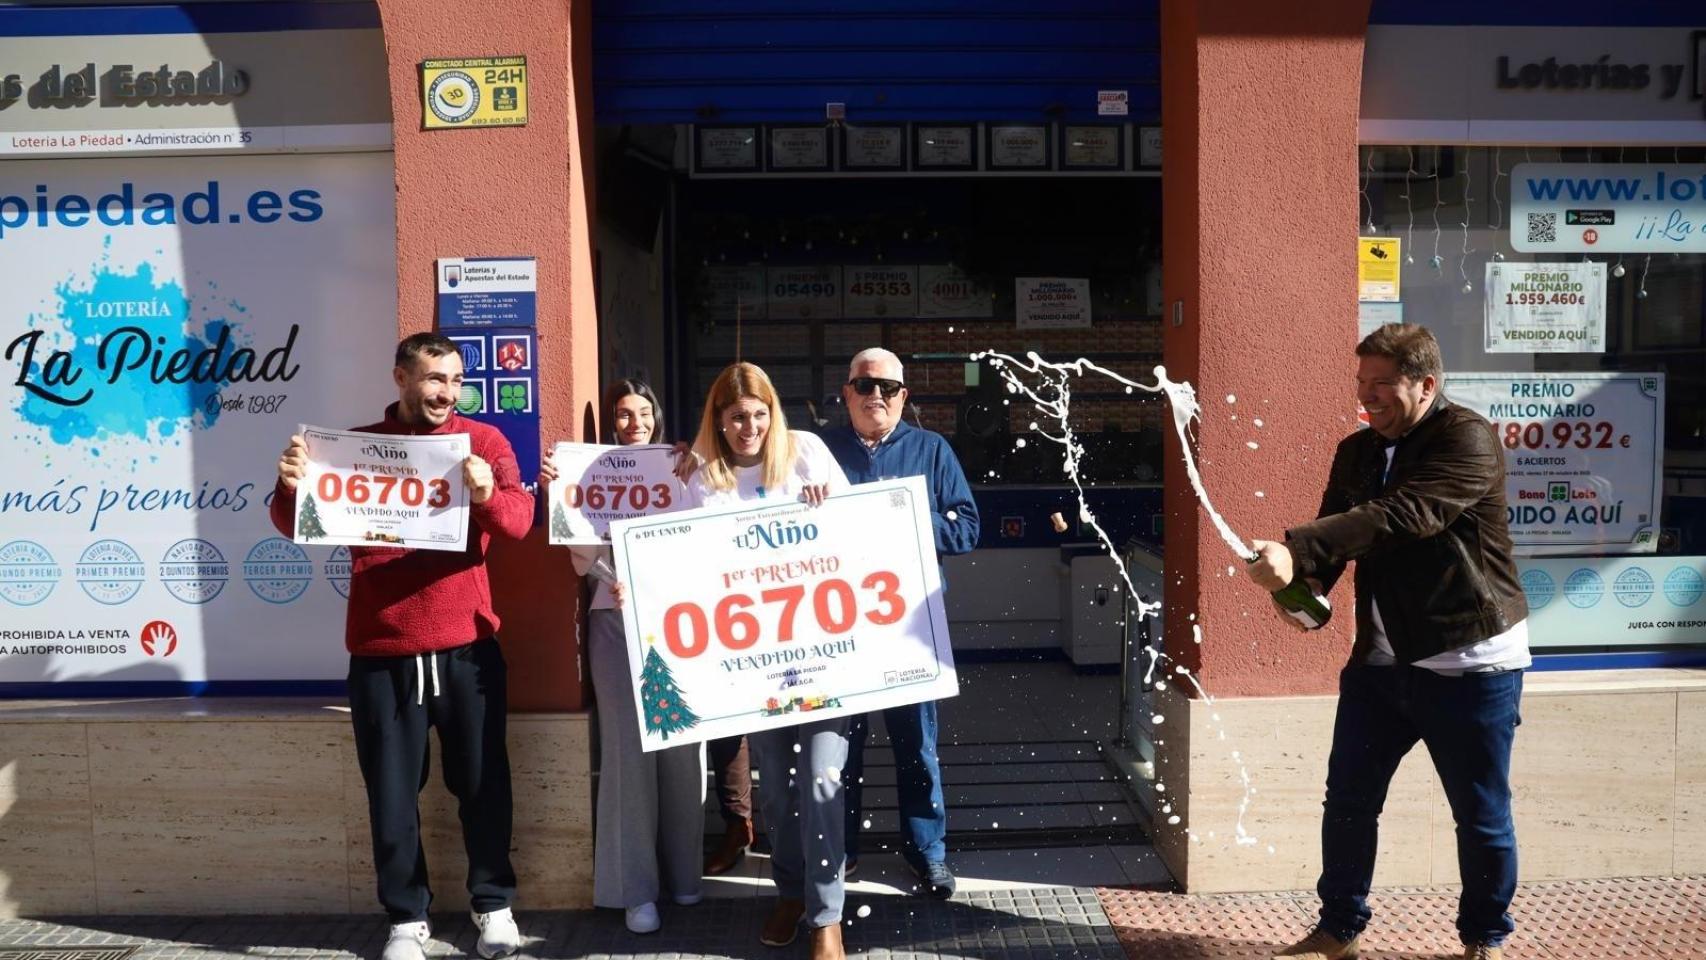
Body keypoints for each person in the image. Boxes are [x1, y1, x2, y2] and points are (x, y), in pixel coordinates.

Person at [1245, 323, 1529, 960]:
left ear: (1425, 385)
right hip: (1379, 663)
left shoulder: (1466, 438)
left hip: (1468, 661)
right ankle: (1338, 929)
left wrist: (1296, 546)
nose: (1366, 396)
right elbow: (1337, 532)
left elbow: (1405, 515)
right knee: (1348, 801)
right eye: (1361, 382)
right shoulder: (1357, 451)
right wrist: (1301, 584)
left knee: (1480, 814)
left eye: (1381, 384)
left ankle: (1484, 938)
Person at [273, 333, 531, 960]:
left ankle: (493, 904)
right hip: (382, 650)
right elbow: (292, 524)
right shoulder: (354, 448)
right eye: (435, 379)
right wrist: (290, 486)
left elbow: (520, 521)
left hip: (467, 648)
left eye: (456, 380)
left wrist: (486, 495)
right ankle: (407, 919)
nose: (447, 392)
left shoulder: (484, 442)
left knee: (483, 785)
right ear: (401, 378)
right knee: (390, 794)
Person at [681, 362, 851, 960]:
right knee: (775, 789)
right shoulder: (703, 478)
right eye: (736, 417)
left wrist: (827, 508)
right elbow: (684, 562)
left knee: (823, 780)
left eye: (759, 414)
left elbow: (859, 536)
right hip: (757, 666)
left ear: (772, 412)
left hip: (824, 657)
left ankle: (827, 915)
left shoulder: (806, 453)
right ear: (718, 420)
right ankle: (790, 893)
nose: (749, 427)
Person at [539, 379, 705, 935]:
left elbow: (708, 533)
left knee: (682, 748)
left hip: (679, 625)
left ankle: (684, 876)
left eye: (643, 413)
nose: (635, 424)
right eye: (623, 415)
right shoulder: (589, 474)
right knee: (627, 756)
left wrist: (696, 467)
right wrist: (558, 491)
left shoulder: (680, 468)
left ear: (657, 417)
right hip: (614, 622)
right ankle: (636, 891)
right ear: (611, 424)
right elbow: (581, 556)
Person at [819, 347, 978, 898]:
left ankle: (927, 852)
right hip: (839, 629)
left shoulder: (932, 450)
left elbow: (966, 530)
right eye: (865, 386)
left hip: (909, 629)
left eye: (888, 388)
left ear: (903, 396)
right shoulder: (818, 452)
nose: (876, 396)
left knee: (916, 745)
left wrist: (903, 509)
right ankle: (840, 850)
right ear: (847, 393)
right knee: (840, 748)